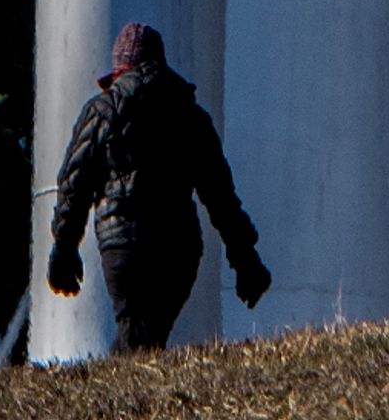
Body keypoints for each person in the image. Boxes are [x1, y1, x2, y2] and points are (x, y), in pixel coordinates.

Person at [44, 21, 269, 349]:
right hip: (177, 250)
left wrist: (64, 250)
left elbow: (73, 187)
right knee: (144, 339)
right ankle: (134, 395)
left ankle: (130, 398)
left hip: (124, 248)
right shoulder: (190, 115)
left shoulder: (102, 110)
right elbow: (221, 197)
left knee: (136, 339)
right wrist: (246, 259)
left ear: (119, 68)